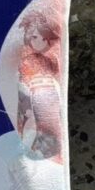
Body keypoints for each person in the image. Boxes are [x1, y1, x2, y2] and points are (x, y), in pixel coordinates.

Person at [17, 11, 62, 159]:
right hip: (35, 100)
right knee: (35, 126)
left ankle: (48, 148)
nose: (40, 42)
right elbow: (23, 86)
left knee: (51, 126)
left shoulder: (51, 60)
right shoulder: (26, 62)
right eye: (35, 37)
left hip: (50, 99)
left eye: (44, 38)